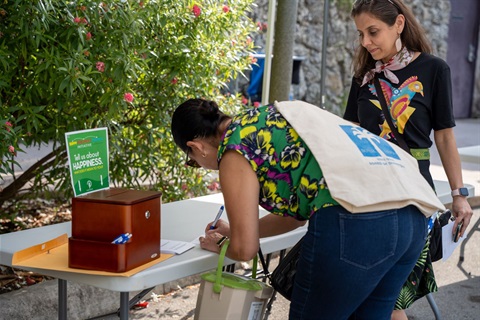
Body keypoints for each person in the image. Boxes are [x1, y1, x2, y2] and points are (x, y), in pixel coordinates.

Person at [171, 98, 445, 319]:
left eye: (193, 160)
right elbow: (292, 219)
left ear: (196, 147)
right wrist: (234, 232)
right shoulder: (273, 115)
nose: (201, 164)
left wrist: (220, 245)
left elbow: (244, 250)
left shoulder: (233, 150)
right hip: (412, 215)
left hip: (358, 223)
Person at [343, 0, 474, 319]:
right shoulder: (364, 75)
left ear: (399, 24)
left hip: (411, 200)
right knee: (366, 299)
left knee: (387, 300)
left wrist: (459, 195)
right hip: (364, 198)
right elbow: (350, 132)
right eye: (361, 34)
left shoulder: (433, 70)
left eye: (373, 32)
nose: (365, 42)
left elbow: (444, 136)